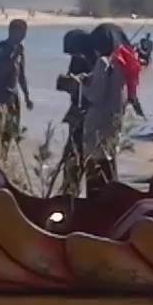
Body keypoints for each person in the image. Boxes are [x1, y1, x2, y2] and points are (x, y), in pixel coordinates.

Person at [81, 23, 145, 195]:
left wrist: (81, 85)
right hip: (115, 118)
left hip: (99, 120)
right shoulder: (123, 62)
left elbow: (96, 96)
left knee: (95, 163)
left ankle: (96, 202)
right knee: (109, 160)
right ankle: (112, 198)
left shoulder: (103, 62)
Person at [56, 29, 98, 196]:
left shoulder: (80, 59)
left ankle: (70, 192)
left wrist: (69, 81)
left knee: (73, 155)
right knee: (91, 157)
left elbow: (70, 85)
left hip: (80, 113)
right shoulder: (98, 60)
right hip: (94, 116)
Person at [0, 19, 33, 161]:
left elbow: (21, 75)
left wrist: (27, 96)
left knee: (11, 128)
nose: (24, 36)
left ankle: (3, 157)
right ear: (13, 32)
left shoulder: (20, 51)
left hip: (13, 95)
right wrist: (13, 57)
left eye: (25, 33)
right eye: (22, 32)